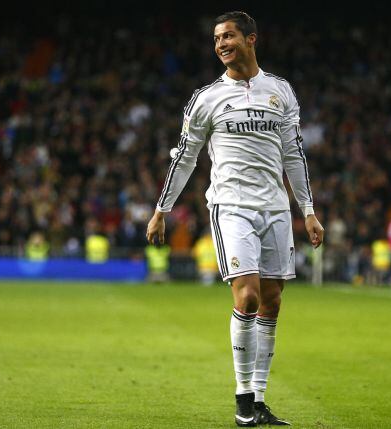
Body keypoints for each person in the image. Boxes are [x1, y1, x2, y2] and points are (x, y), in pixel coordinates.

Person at [146, 11, 323, 427]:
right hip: (231, 207)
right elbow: (185, 157)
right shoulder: (205, 98)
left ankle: (259, 399)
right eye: (216, 38)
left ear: (251, 39)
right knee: (247, 297)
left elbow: (294, 156)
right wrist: (161, 210)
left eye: (229, 36)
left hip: (276, 208)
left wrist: (309, 212)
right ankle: (243, 400)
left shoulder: (280, 92)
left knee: (273, 301)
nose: (221, 43)